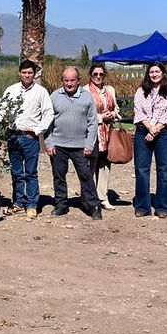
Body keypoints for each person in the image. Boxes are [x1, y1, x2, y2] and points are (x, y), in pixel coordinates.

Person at [46, 67, 101, 220]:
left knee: (86, 177)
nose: (69, 83)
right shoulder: (54, 96)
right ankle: (61, 205)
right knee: (59, 176)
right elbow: (47, 122)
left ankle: (93, 206)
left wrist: (89, 144)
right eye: (66, 80)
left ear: (78, 81)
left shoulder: (87, 97)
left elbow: (92, 123)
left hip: (80, 146)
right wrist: (49, 143)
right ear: (62, 81)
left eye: (72, 80)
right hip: (58, 145)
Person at [1, 60, 53, 218]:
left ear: (34, 74)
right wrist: (4, 124)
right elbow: (2, 110)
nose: (27, 75)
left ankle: (31, 204)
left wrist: (37, 130)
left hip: (30, 138)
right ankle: (18, 202)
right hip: (14, 136)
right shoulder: (11, 90)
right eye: (24, 72)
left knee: (30, 172)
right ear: (19, 73)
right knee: (16, 172)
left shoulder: (41, 92)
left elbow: (48, 113)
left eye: (30, 72)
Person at [132, 62, 167, 218]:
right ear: (148, 74)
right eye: (151, 71)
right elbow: (138, 112)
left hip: (164, 133)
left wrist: (156, 129)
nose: (154, 74)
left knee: (164, 171)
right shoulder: (140, 91)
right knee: (141, 170)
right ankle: (142, 206)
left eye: (157, 71)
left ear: (163, 73)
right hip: (142, 132)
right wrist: (149, 128)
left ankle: (163, 207)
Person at [86, 64, 120, 210]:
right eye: (95, 74)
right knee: (89, 167)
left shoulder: (110, 90)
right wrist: (100, 117)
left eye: (101, 74)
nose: (98, 77)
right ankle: (88, 197)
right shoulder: (85, 91)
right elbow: (84, 113)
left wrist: (112, 114)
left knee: (105, 165)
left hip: (108, 132)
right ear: (91, 75)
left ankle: (102, 197)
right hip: (92, 133)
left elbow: (116, 108)